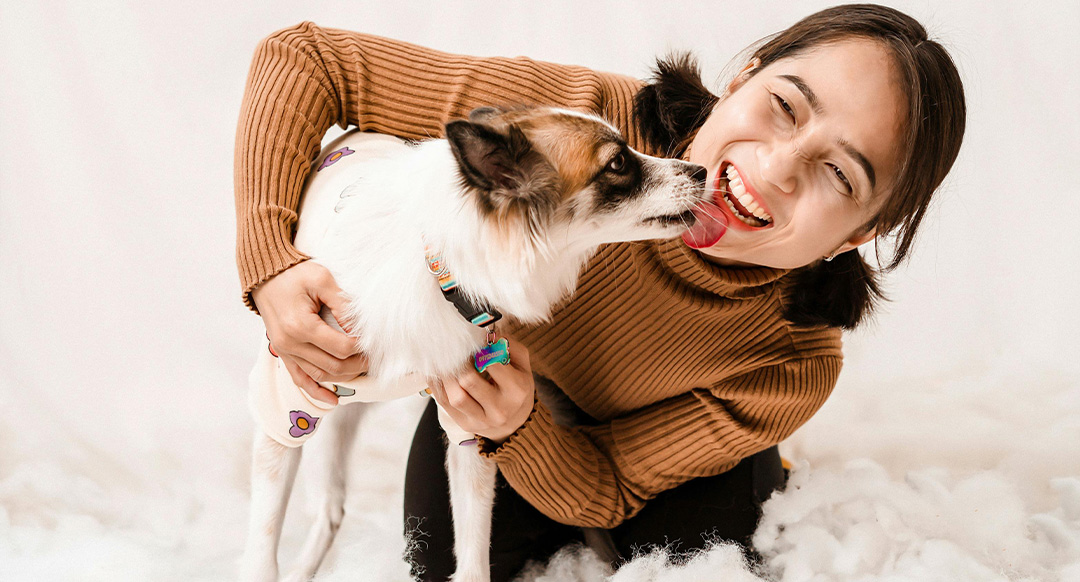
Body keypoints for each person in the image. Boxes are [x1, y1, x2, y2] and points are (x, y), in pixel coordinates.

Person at [233, 4, 965, 580]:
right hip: (509, 397)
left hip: (642, 457)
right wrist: (270, 262)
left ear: (859, 235)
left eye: (841, 176)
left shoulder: (791, 364)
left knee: (698, 552)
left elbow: (610, 484)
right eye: (785, 106)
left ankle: (760, 469)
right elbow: (306, 56)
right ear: (741, 77)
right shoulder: (566, 126)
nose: (777, 169)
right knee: (441, 555)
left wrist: (522, 430)